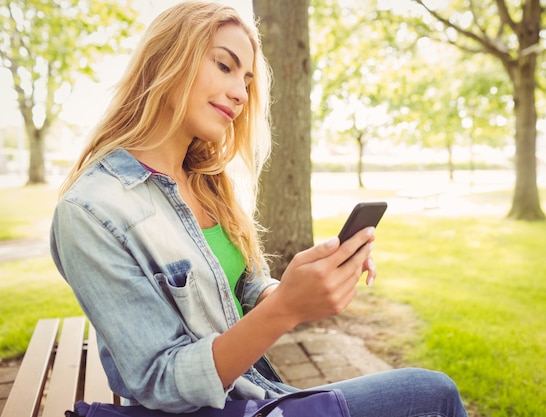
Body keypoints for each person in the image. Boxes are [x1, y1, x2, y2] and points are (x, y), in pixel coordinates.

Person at [50, 2, 468, 417]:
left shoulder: (207, 179)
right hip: (212, 410)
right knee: (430, 394)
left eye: (247, 80)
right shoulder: (90, 210)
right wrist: (285, 309)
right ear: (166, 60)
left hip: (259, 391)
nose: (239, 93)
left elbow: (245, 285)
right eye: (224, 66)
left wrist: (293, 287)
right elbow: (161, 381)